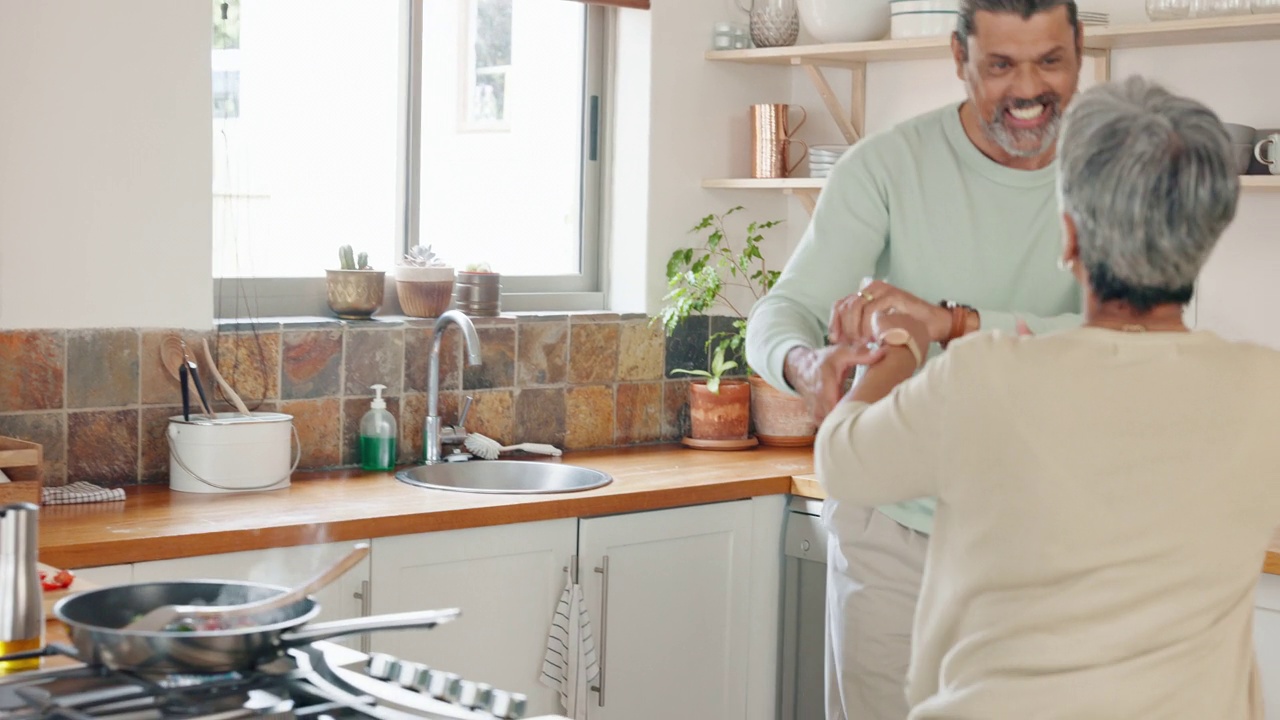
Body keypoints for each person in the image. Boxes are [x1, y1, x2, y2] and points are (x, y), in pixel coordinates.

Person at [815, 76, 1280, 718]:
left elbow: (841, 458)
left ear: (1069, 238)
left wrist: (902, 341)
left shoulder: (986, 378)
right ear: (1206, 236)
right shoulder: (1264, 392)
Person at [746, 0, 1087, 716]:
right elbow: (783, 311)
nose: (1028, 89)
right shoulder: (888, 167)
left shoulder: (1108, 177)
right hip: (895, 535)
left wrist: (953, 323)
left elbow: (1122, 346)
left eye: (1049, 60)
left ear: (1078, 53)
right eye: (1000, 65)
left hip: (1050, 537)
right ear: (959, 59)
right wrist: (805, 364)